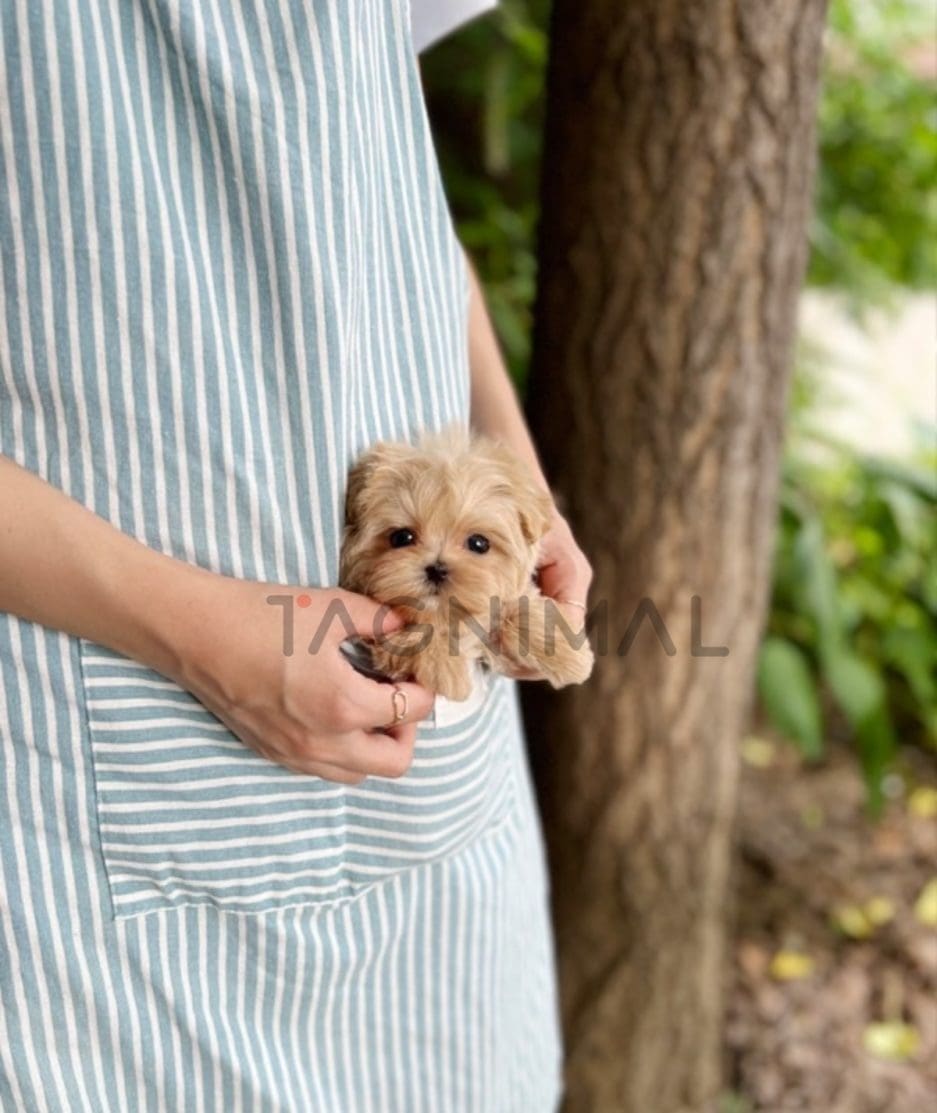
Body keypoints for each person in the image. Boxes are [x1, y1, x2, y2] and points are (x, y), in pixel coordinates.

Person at [0, 2, 591, 1109]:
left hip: (422, 790)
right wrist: (195, 634)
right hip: (98, 727)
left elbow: (384, 163)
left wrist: (519, 488)